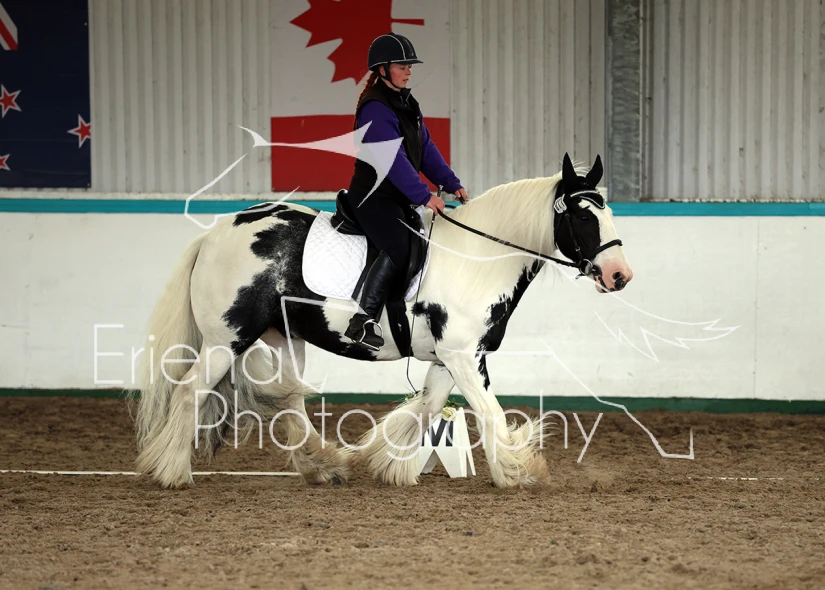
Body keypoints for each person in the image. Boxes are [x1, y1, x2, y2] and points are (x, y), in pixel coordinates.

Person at [343, 32, 468, 351]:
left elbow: (425, 149)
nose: (409, 71)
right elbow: (392, 160)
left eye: (410, 66)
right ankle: (362, 321)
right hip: (373, 197)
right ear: (382, 69)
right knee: (398, 248)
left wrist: (452, 183)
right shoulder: (375, 108)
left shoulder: (407, 103)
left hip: (396, 197)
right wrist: (424, 195)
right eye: (402, 66)